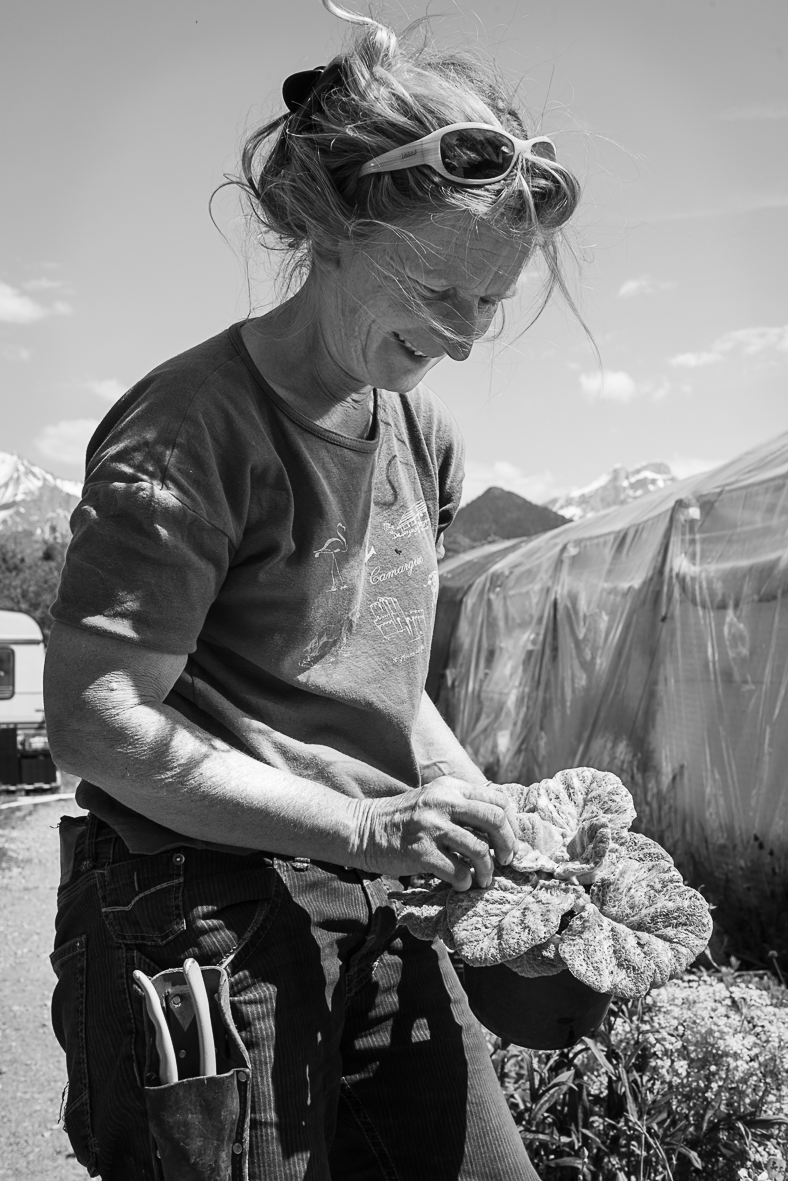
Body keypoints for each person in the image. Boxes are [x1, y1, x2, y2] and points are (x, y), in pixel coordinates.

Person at [45, 2, 581, 1177]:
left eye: (489, 301)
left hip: (376, 893)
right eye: (441, 288)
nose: (465, 334)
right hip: (200, 908)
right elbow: (97, 714)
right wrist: (364, 821)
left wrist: (475, 805)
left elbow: (378, 670)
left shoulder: (417, 432)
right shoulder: (191, 428)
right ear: (332, 227)